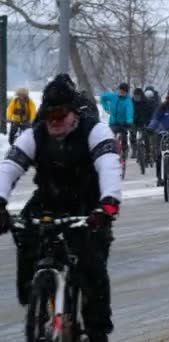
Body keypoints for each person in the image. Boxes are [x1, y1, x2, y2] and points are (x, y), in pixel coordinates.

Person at [0, 77, 121, 342]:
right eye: (48, 115)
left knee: (92, 268)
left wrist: (109, 202)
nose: (53, 121)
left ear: (73, 113)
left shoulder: (95, 131)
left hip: (88, 206)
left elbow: (109, 165)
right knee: (25, 237)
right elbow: (9, 167)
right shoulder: (35, 134)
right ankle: (35, 297)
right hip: (47, 200)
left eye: (59, 115)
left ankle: (97, 330)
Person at [101, 83, 134, 157]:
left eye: (123, 92)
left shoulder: (128, 101)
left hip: (124, 122)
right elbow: (102, 97)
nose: (121, 93)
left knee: (124, 135)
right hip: (113, 121)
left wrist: (129, 121)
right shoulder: (113, 96)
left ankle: (125, 150)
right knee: (111, 135)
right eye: (120, 91)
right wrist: (106, 108)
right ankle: (111, 151)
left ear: (126, 93)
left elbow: (129, 111)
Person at [131, 88, 156, 160]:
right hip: (134, 122)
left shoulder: (146, 102)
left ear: (141, 95)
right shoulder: (131, 102)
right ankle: (134, 149)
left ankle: (148, 153)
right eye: (135, 96)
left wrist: (149, 122)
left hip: (145, 122)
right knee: (132, 134)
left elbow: (150, 113)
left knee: (146, 137)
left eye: (138, 96)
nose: (136, 97)